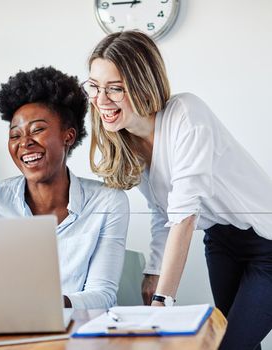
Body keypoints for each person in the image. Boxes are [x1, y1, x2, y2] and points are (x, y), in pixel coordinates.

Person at [84, 30, 272, 349]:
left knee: (228, 346)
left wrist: (162, 304)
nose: (101, 100)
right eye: (94, 86)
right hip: (221, 242)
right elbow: (163, 214)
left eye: (114, 89)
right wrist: (154, 271)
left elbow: (184, 215)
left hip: (267, 243)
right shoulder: (128, 144)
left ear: (144, 85)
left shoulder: (186, 114)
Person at [0, 66, 129, 309]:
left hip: (81, 335)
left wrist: (46, 306)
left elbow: (103, 295)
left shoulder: (107, 202)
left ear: (69, 136)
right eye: (15, 135)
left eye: (38, 130)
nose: (25, 143)